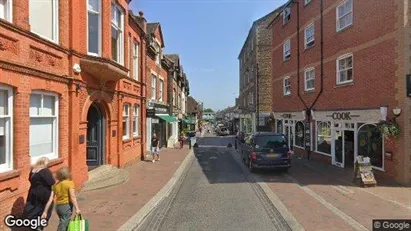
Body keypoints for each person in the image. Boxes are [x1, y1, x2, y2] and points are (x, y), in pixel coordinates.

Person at [22, 157, 55, 231]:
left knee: (33, 208)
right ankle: (39, 226)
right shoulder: (45, 171)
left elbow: (30, 180)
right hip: (43, 193)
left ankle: (32, 224)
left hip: (32, 192)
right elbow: (51, 182)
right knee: (45, 210)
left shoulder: (33, 170)